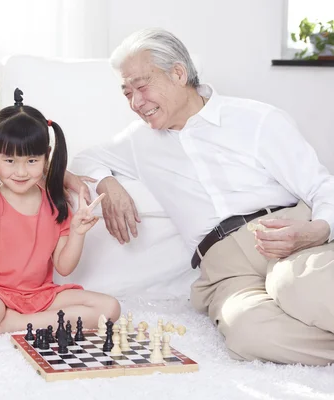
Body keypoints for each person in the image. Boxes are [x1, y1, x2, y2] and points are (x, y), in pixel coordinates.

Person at [70, 28, 334, 365]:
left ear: (178, 73)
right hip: (225, 268)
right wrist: (108, 184)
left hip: (286, 234)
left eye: (142, 86)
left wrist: (319, 229)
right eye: (127, 93)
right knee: (248, 332)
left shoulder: (255, 119)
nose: (136, 103)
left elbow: (321, 185)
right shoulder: (140, 141)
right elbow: (84, 160)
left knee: (295, 282)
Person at [0, 89, 121, 342]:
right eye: (10, 161)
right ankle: (9, 319)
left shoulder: (56, 204)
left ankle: (17, 323)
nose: (21, 172)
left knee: (110, 309)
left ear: (46, 157)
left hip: (42, 294)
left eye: (32, 160)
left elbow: (64, 267)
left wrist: (77, 233)